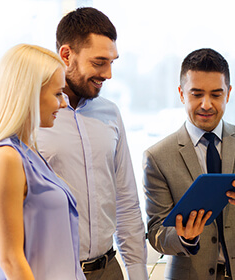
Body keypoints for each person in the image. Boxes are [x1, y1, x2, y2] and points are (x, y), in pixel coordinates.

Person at [143, 48, 235, 280]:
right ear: (182, 94)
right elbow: (156, 232)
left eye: (216, 94)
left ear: (228, 93)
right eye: (196, 94)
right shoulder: (158, 156)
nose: (206, 104)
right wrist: (185, 237)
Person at [37, 7, 148, 280]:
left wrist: (137, 272)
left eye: (112, 62)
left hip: (109, 269)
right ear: (66, 55)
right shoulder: (32, 117)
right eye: (99, 62)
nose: (108, 74)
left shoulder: (110, 113)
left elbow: (126, 201)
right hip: (53, 271)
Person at [0, 44, 85, 279]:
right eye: (57, 94)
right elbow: (11, 261)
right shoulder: (5, 158)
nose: (64, 103)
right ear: (29, 94)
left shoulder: (29, 153)